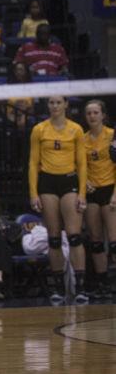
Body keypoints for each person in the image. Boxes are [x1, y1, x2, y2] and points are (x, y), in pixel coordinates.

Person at [28, 96, 88, 303]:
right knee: (53, 238)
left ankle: (80, 288)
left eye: (58, 103)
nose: (54, 106)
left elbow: (82, 164)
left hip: (69, 180)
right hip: (47, 182)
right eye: (51, 103)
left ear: (66, 105)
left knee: (74, 236)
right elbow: (33, 163)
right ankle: (59, 288)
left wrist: (82, 193)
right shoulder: (39, 129)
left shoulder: (76, 129)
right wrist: (33, 193)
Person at [83, 100, 116, 298]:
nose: (92, 116)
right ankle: (102, 282)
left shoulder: (112, 135)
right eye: (89, 113)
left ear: (103, 115)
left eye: (95, 112)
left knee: (114, 241)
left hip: (110, 188)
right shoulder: (83, 139)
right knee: (95, 240)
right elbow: (79, 164)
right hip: (92, 190)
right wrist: (84, 181)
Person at [6, 62, 34, 131]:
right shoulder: (8, 87)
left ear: (26, 72)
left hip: (27, 113)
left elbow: (33, 108)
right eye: (17, 70)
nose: (18, 72)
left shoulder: (32, 87)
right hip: (11, 113)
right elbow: (4, 104)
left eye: (21, 70)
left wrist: (26, 108)